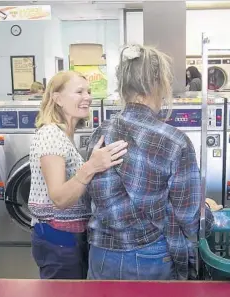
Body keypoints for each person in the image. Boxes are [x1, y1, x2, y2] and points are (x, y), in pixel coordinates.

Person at [85, 45, 217, 281]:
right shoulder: (174, 141)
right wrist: (208, 214)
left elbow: (91, 196)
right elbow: (188, 216)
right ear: (158, 83)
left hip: (101, 253)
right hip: (148, 255)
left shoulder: (101, 132)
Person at [28, 71, 128, 279]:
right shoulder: (50, 135)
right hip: (58, 238)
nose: (88, 97)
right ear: (57, 99)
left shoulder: (63, 135)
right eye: (79, 91)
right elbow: (59, 198)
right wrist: (92, 166)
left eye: (89, 91)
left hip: (66, 236)